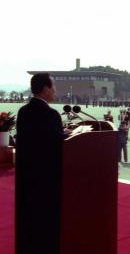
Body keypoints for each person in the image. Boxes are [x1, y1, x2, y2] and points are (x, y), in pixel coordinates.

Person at [15, 73, 71, 254]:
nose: (55, 91)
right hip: (46, 179)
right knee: (45, 223)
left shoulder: (23, 111)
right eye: (53, 87)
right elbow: (56, 144)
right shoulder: (50, 113)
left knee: (28, 219)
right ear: (46, 89)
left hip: (27, 175)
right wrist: (67, 135)